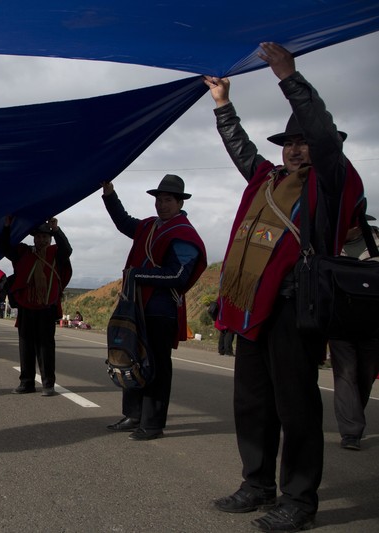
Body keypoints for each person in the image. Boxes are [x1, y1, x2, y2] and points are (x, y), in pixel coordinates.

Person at [204, 43, 365, 531]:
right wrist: (223, 106)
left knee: (296, 405)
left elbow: (320, 133)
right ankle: (257, 483)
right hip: (253, 306)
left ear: (322, 144)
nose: (295, 147)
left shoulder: (333, 180)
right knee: (251, 400)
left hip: (298, 305)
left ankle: (299, 499)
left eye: (304, 141)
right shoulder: (267, 179)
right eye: (288, 142)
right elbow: (243, 152)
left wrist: (288, 78)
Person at [101, 176, 207, 441]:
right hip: (136, 308)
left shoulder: (184, 234)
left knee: (157, 367)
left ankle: (152, 423)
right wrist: (109, 193)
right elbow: (123, 222)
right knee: (132, 359)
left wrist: (137, 274)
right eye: (158, 199)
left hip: (161, 311)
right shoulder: (149, 226)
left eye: (168, 200)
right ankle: (133, 415)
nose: (161, 204)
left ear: (180, 202)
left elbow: (178, 276)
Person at [0, 217, 72, 396]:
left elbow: (67, 249)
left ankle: (48, 384)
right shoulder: (24, 252)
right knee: (26, 346)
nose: (41, 240)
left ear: (50, 238)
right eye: (38, 236)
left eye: (45, 237)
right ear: (33, 238)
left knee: (46, 347)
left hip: (46, 308)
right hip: (26, 307)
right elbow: (5, 248)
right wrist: (8, 226)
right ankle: (26, 382)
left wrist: (56, 229)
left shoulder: (56, 253)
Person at [328, 215, 379, 451]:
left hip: (373, 324)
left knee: (365, 376)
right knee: (346, 374)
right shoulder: (329, 245)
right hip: (341, 323)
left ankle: (353, 417)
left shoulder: (376, 241)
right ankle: (351, 431)